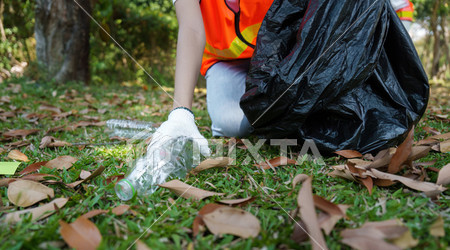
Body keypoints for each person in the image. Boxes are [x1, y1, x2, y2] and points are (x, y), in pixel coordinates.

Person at [150, 0, 415, 157]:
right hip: (226, 60)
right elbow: (192, 29)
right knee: (235, 126)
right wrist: (180, 112)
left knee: (304, 105)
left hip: (280, 56)